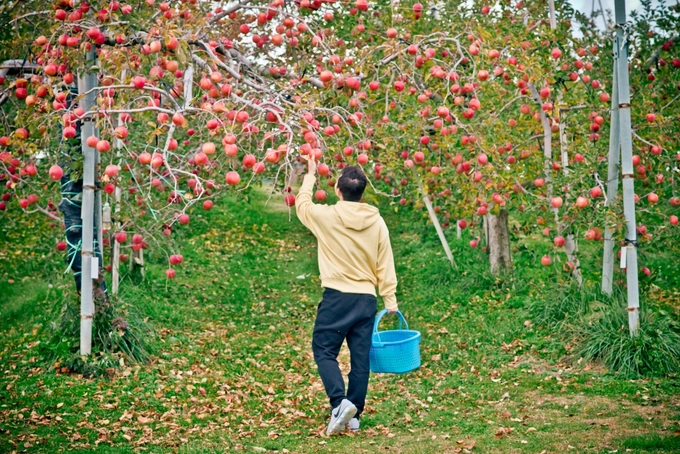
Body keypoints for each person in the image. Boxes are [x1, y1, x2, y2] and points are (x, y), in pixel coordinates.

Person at [296, 156, 398, 435]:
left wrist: (310, 174)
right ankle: (354, 415)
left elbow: (302, 205)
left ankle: (339, 403)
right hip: (366, 299)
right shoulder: (377, 222)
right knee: (360, 358)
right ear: (362, 193)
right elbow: (385, 261)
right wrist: (390, 300)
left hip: (337, 296)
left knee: (324, 349)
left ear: (338, 191)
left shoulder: (326, 216)